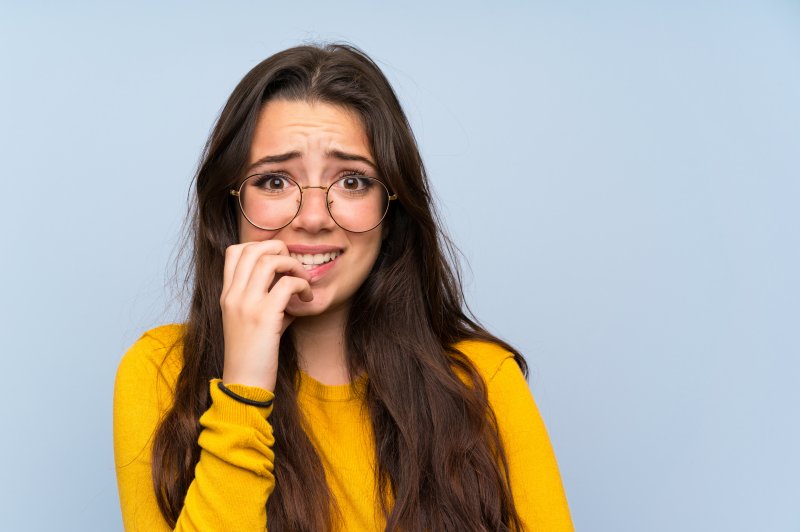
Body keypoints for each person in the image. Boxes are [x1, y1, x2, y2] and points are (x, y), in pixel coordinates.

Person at [113, 42, 573, 531]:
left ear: (391, 206)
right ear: (231, 202)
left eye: (352, 181)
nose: (313, 218)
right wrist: (242, 391)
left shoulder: (483, 380)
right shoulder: (160, 374)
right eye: (274, 181)